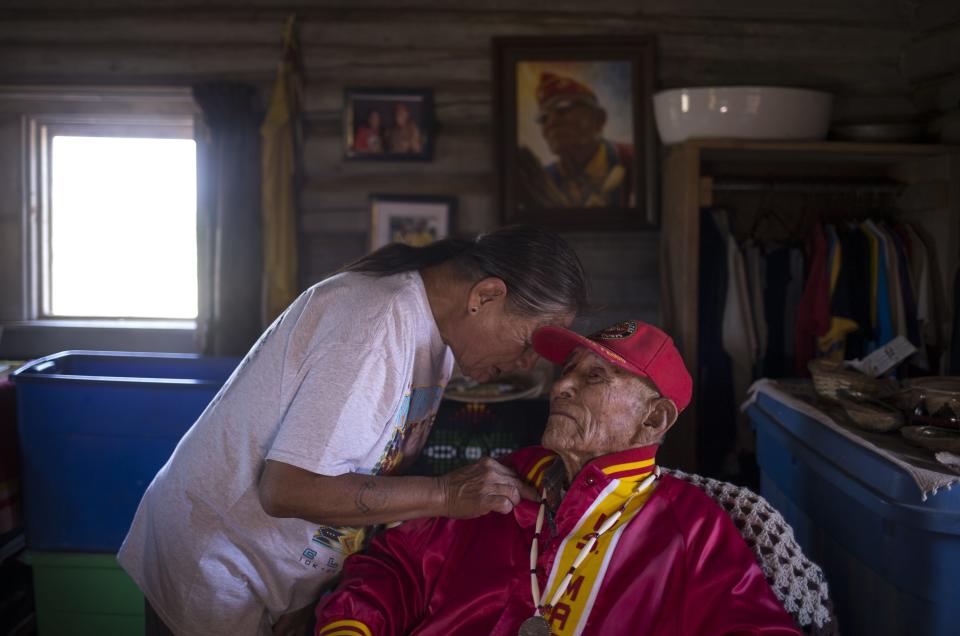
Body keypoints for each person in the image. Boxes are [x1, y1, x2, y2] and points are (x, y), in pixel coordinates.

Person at [118, 225, 588, 636]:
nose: (527, 364)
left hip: (271, 569)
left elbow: (357, 468)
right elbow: (284, 489)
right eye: (528, 344)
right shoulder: (377, 325)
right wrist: (445, 493)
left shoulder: (437, 339)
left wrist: (305, 596)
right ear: (484, 296)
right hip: (218, 559)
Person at [314, 320, 801, 636]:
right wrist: (349, 627)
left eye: (594, 377)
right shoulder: (496, 479)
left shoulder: (692, 526)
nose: (561, 386)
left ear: (653, 420)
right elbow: (393, 568)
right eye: (566, 371)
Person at [519, 71, 635, 209]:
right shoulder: (540, 181)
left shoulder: (633, 159)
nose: (551, 122)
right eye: (543, 118)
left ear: (599, 118)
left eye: (563, 109)